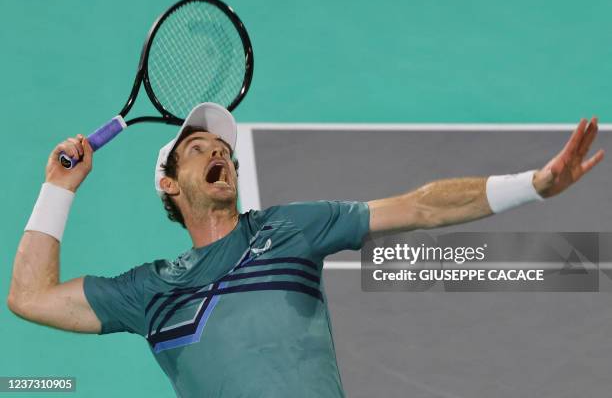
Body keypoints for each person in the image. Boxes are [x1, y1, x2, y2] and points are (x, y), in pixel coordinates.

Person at [8, 102, 604, 398]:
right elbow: (29, 296)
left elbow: (419, 206)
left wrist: (533, 185)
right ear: (169, 183)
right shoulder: (150, 289)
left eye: (225, 149)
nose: (220, 153)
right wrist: (58, 189)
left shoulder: (290, 230)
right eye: (198, 149)